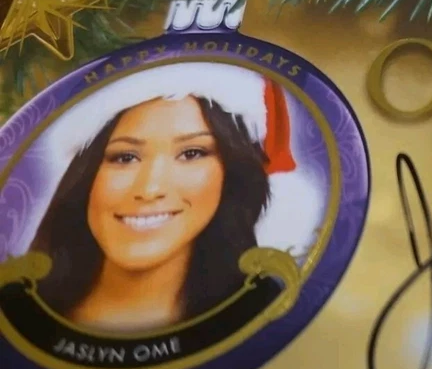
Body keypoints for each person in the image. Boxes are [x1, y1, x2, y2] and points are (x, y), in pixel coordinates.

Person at [29, 63, 323, 333]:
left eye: (191, 153)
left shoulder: (264, 316)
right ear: (87, 175)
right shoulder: (19, 304)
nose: (150, 188)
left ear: (231, 175)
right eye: (125, 157)